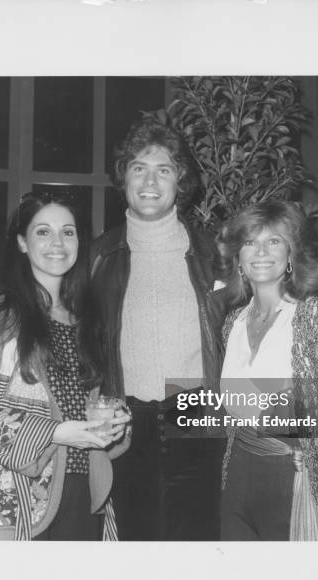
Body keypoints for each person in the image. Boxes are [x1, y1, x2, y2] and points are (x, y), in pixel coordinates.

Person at [0, 191, 131, 541]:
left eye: (68, 232)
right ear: (22, 242)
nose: (57, 242)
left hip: (85, 499)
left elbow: (94, 405)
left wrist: (115, 422)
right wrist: (56, 432)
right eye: (43, 231)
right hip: (16, 504)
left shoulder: (87, 323)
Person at [91, 119, 227, 540]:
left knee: (198, 543)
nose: (150, 180)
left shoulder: (213, 251)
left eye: (164, 169)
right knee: (138, 544)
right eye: (138, 167)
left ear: (180, 181)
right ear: (125, 178)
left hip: (197, 410)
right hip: (126, 419)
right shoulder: (98, 256)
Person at [216, 199, 318, 540]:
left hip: (297, 476)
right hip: (237, 478)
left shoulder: (316, 316)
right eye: (250, 242)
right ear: (238, 259)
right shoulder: (233, 322)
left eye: (274, 240)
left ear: (291, 253)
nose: (261, 251)